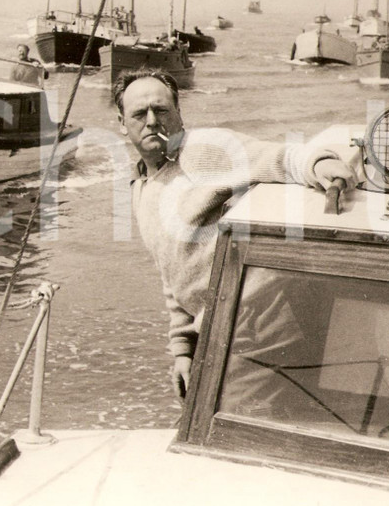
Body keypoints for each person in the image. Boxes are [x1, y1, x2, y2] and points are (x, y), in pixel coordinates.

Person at [114, 68, 361, 400]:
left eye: (161, 110)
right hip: (218, 328)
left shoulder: (201, 150)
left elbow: (278, 157)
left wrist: (319, 164)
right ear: (122, 122)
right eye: (139, 114)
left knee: (233, 416)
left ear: (179, 113)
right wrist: (183, 348)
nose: (152, 121)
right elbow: (173, 275)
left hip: (262, 325)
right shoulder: (141, 188)